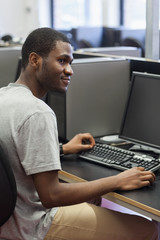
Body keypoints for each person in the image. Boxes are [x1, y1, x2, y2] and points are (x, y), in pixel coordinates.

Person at [0, 27, 158, 240]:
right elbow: (51, 196)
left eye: (70, 63)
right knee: (149, 229)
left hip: (8, 219)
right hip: (31, 224)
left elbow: (12, 149)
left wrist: (62, 149)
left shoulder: (4, 96)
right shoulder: (37, 112)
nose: (70, 70)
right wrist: (117, 180)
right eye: (62, 61)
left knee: (92, 199)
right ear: (35, 60)